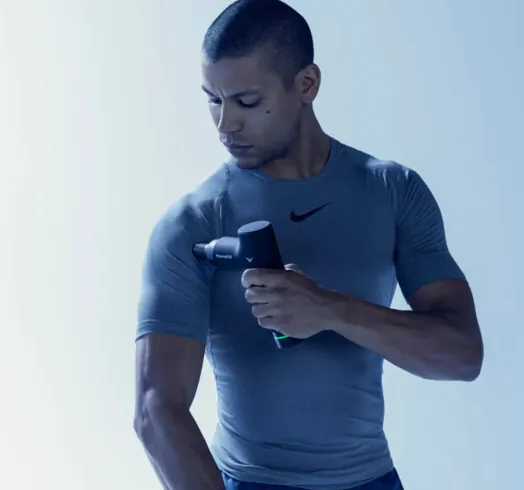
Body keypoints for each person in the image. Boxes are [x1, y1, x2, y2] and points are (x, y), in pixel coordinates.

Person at [132, 1, 484, 489]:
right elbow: (156, 410)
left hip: (372, 480)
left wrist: (330, 310)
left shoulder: (392, 191)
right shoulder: (191, 224)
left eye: (246, 102)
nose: (224, 124)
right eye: (213, 99)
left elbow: (462, 355)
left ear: (306, 85)